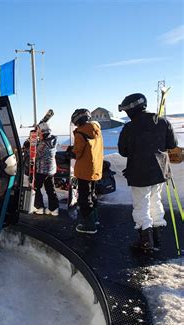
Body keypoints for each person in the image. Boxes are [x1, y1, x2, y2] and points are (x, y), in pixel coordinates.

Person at [118, 93, 178, 251]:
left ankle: (146, 240)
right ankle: (157, 235)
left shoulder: (129, 127)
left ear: (132, 109)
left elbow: (123, 151)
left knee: (141, 205)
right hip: (160, 170)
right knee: (155, 201)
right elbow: (172, 144)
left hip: (139, 173)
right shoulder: (163, 122)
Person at [69, 109, 104, 234]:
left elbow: (77, 153)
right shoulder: (96, 130)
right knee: (92, 194)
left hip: (84, 170)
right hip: (95, 168)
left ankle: (89, 225)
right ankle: (95, 219)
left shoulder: (81, 133)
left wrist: (70, 152)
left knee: (84, 197)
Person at [32, 122, 59, 215]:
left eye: (39, 133)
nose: (38, 136)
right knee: (50, 189)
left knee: (36, 187)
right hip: (51, 170)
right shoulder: (52, 141)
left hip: (42, 170)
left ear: (43, 133)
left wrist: (29, 147)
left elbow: (35, 155)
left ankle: (39, 207)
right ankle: (54, 208)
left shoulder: (43, 144)